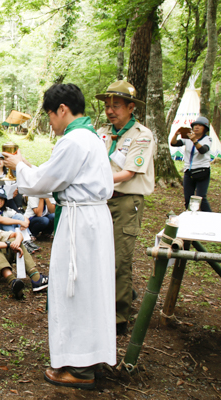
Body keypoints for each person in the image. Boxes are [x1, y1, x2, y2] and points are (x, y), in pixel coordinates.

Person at [4, 83, 115, 388]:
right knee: (91, 289)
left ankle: (79, 369)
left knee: (75, 289)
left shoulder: (74, 140)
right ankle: (90, 358)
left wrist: (18, 167)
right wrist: (26, 166)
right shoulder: (90, 138)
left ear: (62, 110)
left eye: (50, 116)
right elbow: (57, 176)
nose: (50, 123)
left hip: (81, 223)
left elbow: (44, 182)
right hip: (91, 219)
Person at [95, 81, 155, 336]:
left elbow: (129, 172)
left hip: (126, 201)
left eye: (116, 106)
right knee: (100, 254)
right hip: (101, 199)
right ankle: (101, 306)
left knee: (120, 259)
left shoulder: (142, 135)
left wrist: (97, 180)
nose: (110, 111)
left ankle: (119, 317)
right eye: (107, 106)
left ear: (131, 107)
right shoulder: (101, 132)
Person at [170, 116, 213, 212]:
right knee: (188, 198)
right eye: (195, 125)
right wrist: (176, 135)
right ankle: (190, 217)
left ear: (204, 129)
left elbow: (202, 150)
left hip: (202, 171)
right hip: (188, 171)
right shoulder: (187, 138)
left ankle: (211, 218)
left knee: (201, 197)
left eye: (200, 126)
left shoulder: (207, 139)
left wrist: (194, 140)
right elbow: (174, 143)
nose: (196, 127)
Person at [0, 188, 40, 255]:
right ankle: (20, 243)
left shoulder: (6, 209)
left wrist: (26, 221)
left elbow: (21, 216)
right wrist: (20, 222)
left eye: (2, 199)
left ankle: (27, 240)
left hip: (10, 232)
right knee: (6, 222)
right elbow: (0, 220)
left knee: (18, 216)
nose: (0, 201)